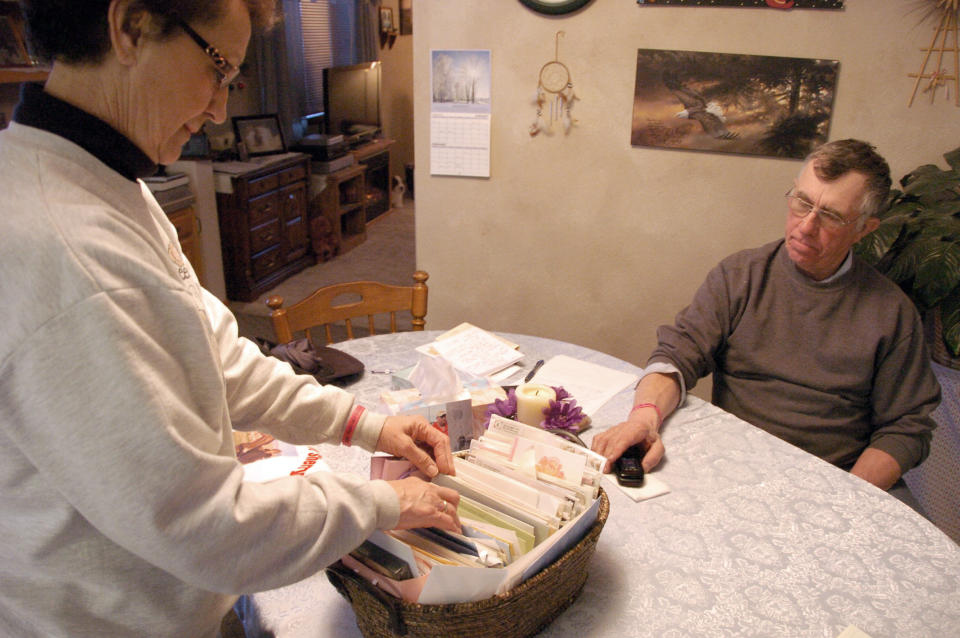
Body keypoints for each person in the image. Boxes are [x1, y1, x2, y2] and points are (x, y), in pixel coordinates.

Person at [0, 2, 459, 636]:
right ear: (130, 27)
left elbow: (218, 356)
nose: (220, 107)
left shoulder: (105, 184)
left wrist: (362, 424)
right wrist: (383, 502)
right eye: (220, 69)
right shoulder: (66, 249)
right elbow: (203, 526)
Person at [592, 139, 941, 503]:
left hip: (835, 478)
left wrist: (846, 496)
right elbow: (678, 355)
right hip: (736, 465)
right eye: (802, 202)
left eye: (832, 215)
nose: (806, 226)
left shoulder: (891, 312)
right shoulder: (741, 275)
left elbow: (906, 428)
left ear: (865, 228)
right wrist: (642, 419)